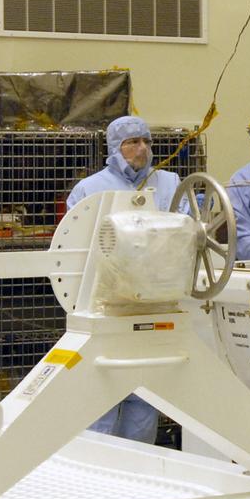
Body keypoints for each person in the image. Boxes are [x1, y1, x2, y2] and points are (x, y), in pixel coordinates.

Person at [65, 115, 182, 443]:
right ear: (114, 148)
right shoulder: (89, 190)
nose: (141, 148)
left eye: (146, 140)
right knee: (101, 398)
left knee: (145, 398)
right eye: (132, 142)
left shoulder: (169, 183)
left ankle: (139, 476)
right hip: (105, 309)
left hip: (156, 309)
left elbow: (185, 239)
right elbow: (74, 245)